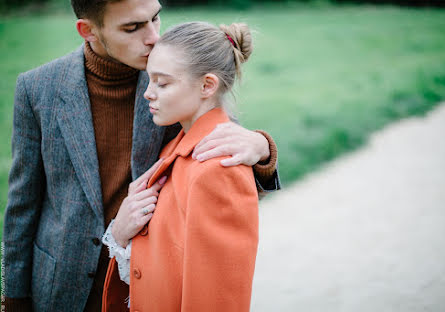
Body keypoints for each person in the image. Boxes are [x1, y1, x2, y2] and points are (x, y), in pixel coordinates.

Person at [2, 0, 280, 311]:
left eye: (155, 18)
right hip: (56, 289)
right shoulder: (36, 88)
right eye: (132, 27)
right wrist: (11, 298)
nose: (153, 37)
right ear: (88, 30)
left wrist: (262, 148)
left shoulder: (172, 79)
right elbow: (20, 209)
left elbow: (220, 145)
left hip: (142, 289)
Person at [102, 21, 259, 312]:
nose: (148, 93)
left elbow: (216, 298)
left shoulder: (217, 168)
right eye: (149, 80)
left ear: (207, 85)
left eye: (162, 83)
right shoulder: (177, 145)